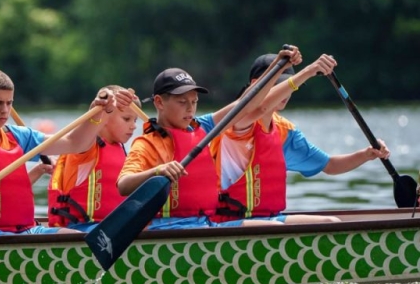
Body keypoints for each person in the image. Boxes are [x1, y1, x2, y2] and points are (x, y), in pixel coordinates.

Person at [0, 68, 134, 236]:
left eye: (9, 103)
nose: (4, 110)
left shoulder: (19, 136)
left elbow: (75, 143)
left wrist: (102, 110)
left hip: (27, 232)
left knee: (78, 239)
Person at [117, 48, 300, 230]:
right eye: (182, 102)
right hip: (167, 227)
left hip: (205, 223)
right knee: (264, 229)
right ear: (159, 102)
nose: (190, 109)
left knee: (267, 228)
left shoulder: (203, 127)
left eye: (194, 102)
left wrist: (277, 66)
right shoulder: (148, 143)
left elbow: (246, 104)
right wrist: (157, 171)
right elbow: (123, 184)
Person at [210, 53, 391, 224]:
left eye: (288, 86)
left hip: (271, 219)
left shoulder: (284, 132)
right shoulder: (237, 122)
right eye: (281, 86)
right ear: (256, 84)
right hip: (231, 222)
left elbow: (330, 165)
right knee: (277, 229)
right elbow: (261, 109)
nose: (287, 93)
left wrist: (367, 154)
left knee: (331, 223)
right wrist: (309, 71)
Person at [47, 85, 139, 231]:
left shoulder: (120, 149)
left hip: (113, 227)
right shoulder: (85, 147)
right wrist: (105, 102)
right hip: (84, 228)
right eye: (127, 119)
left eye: (135, 120)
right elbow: (91, 120)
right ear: (105, 117)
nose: (134, 126)